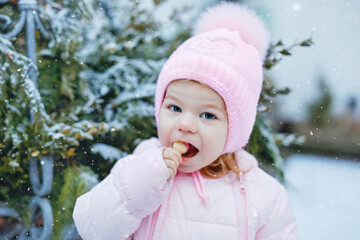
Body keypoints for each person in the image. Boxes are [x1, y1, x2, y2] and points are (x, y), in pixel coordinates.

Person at [73, 3, 298, 240]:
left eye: (208, 115)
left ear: (234, 129)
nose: (185, 124)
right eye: (175, 108)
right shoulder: (140, 168)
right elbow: (91, 229)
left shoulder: (261, 194)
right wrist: (135, 190)